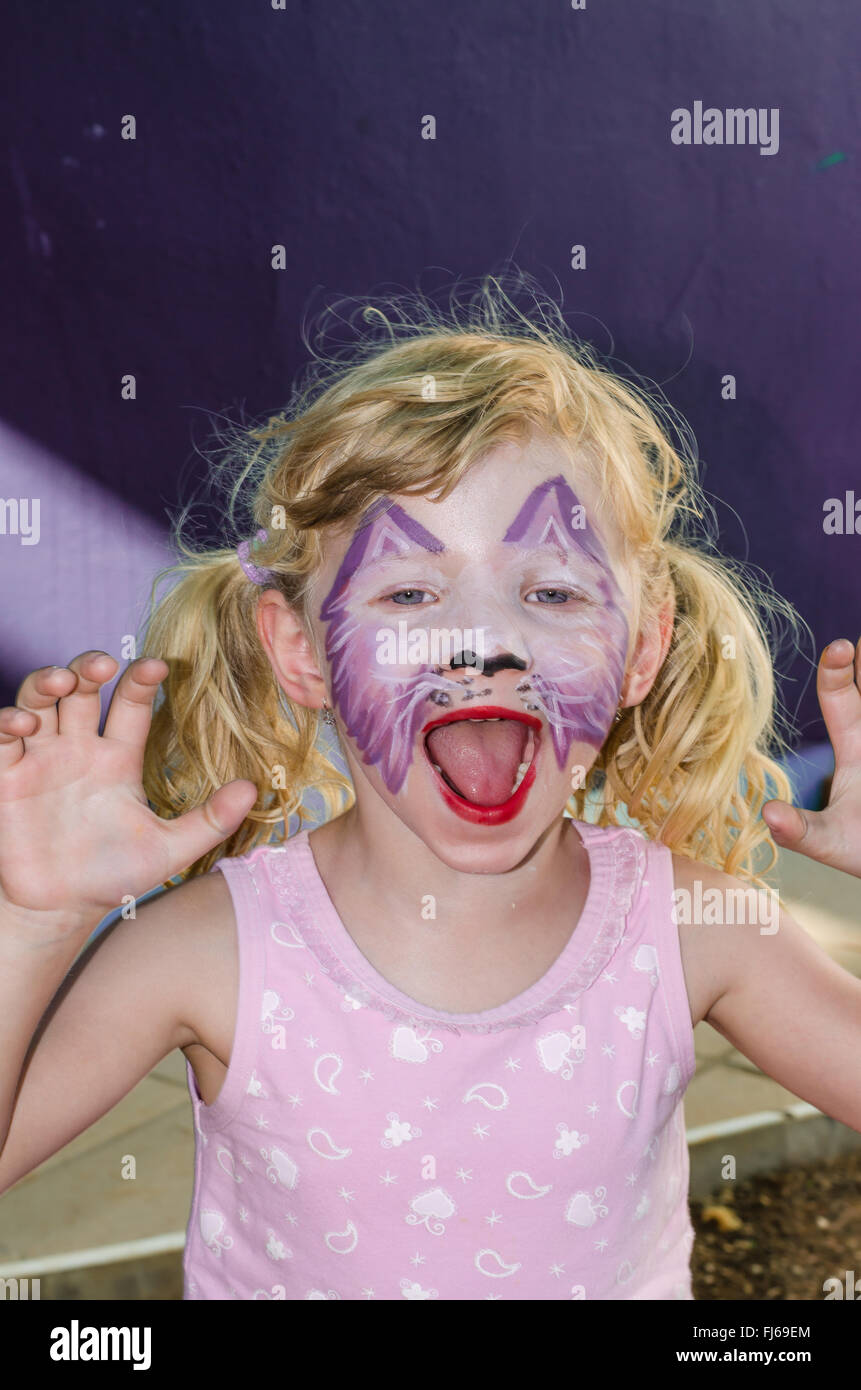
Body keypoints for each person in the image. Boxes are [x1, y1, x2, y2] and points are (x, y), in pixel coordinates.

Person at [1, 277, 859, 1301]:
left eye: (549, 591)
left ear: (644, 645)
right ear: (301, 650)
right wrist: (35, 924)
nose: (484, 646)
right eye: (410, 592)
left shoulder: (692, 927)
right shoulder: (214, 950)